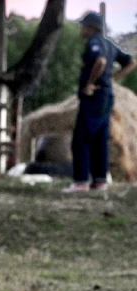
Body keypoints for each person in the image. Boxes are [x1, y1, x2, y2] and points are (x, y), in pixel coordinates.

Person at [63, 12, 135, 193]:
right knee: (99, 139)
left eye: (84, 26)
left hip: (93, 97)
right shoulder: (110, 44)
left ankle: (80, 181)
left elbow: (100, 61)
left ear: (91, 27)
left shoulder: (94, 43)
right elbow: (131, 63)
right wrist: (113, 79)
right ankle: (99, 181)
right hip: (107, 97)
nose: (82, 29)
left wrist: (90, 83)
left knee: (81, 138)